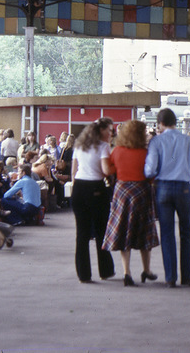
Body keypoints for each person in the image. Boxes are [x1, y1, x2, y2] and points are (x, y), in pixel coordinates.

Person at [144, 108, 190, 288]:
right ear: (175, 122)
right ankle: (188, 276)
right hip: (184, 188)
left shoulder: (156, 142)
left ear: (160, 123)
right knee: (186, 233)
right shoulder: (188, 141)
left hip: (163, 188)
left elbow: (150, 170)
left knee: (167, 233)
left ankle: (170, 277)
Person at [103, 120, 159, 287]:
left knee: (124, 230)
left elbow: (110, 171)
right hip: (142, 192)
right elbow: (151, 175)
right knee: (144, 231)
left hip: (122, 193)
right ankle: (146, 270)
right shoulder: (146, 152)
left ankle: (126, 272)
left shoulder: (117, 151)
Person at [70, 118, 115, 283]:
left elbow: (73, 173)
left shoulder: (79, 146)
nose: (111, 134)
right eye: (109, 130)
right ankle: (105, 270)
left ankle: (83, 274)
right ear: (101, 131)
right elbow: (105, 170)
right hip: (96, 188)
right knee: (101, 231)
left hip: (79, 189)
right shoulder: (103, 147)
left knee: (81, 234)